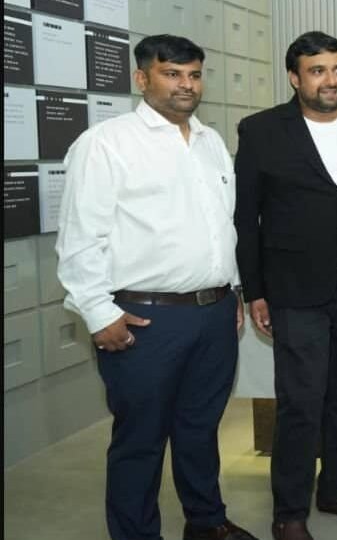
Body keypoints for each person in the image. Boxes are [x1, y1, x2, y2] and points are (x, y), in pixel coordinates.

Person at [56, 35, 257, 540]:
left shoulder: (210, 143)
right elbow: (80, 237)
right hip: (146, 319)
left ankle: (206, 523)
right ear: (141, 78)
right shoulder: (106, 144)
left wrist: (232, 290)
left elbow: (221, 226)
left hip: (213, 313)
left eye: (194, 75)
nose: (186, 85)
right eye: (172, 74)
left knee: (199, 429)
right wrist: (97, 312)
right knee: (140, 439)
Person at [234, 31, 337, 540]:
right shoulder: (261, 131)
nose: (331, 80)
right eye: (318, 70)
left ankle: (336, 490)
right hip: (294, 291)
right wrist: (254, 290)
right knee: (300, 403)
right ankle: (290, 511)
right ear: (294, 77)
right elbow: (246, 218)